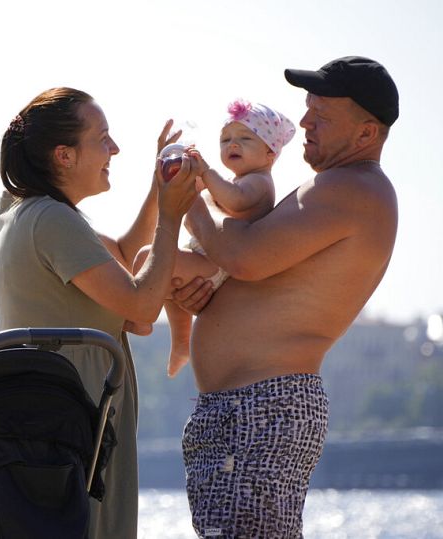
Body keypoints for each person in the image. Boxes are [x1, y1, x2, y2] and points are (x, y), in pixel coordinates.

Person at [171, 56, 399, 537]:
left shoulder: (350, 188)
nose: (305, 123)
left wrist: (186, 202)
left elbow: (244, 257)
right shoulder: (340, 187)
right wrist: (208, 295)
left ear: (365, 135)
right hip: (249, 407)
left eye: (323, 115)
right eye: (307, 108)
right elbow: (251, 275)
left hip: (260, 407)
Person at [0, 87, 200, 539]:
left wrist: (158, 192)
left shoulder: (24, 211)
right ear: (64, 156)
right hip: (78, 424)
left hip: (61, 419)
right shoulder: (53, 221)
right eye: (103, 138)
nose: (115, 148)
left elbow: (123, 254)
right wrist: (172, 216)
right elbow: (143, 304)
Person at [133, 99, 296, 377]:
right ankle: (182, 342)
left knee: (147, 258)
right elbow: (213, 199)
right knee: (165, 283)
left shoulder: (259, 182)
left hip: (215, 265)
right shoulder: (234, 180)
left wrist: (207, 174)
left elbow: (234, 200)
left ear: (271, 153)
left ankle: (138, 315)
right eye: (226, 139)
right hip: (205, 257)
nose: (233, 144)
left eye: (245, 138)